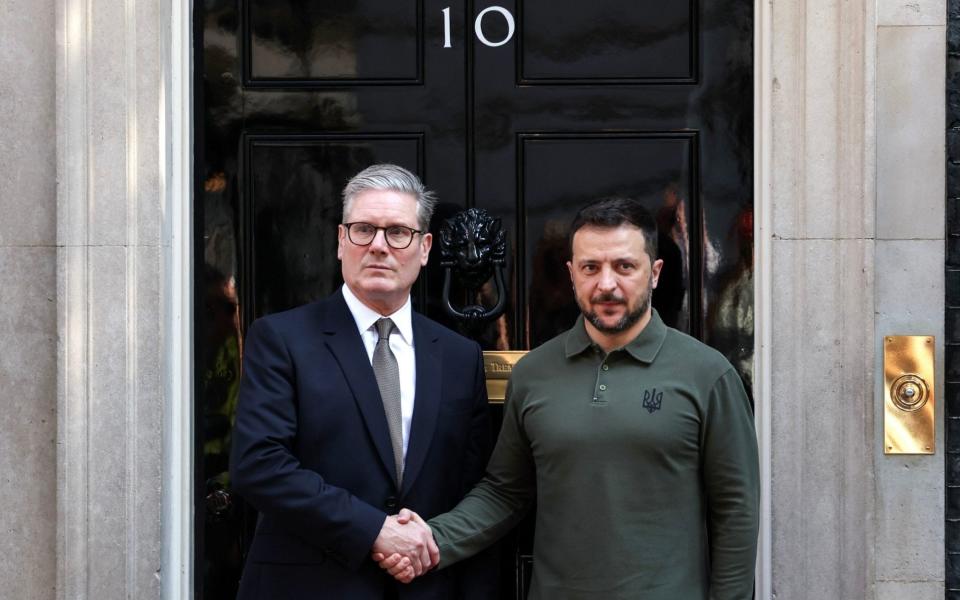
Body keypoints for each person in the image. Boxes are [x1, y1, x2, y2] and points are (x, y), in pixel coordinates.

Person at [377, 196, 760, 599]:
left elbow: (736, 510)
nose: (606, 284)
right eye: (590, 267)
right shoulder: (533, 374)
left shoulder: (708, 374)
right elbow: (506, 492)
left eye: (624, 267)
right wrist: (430, 540)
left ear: (655, 273)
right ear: (572, 274)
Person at [231, 164, 495, 599]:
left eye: (397, 232)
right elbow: (258, 465)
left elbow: (471, 488)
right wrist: (375, 530)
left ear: (425, 247)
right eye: (363, 229)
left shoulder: (459, 357)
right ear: (340, 241)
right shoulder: (281, 338)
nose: (378, 246)